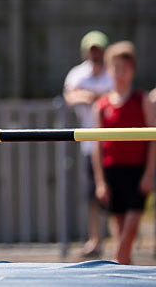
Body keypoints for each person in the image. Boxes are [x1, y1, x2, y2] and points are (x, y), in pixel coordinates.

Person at [91, 41, 156, 265]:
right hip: (112, 172)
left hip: (137, 173)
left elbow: (152, 140)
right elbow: (97, 146)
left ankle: (116, 268)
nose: (120, 73)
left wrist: (149, 173)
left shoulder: (142, 100)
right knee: (121, 237)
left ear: (133, 70)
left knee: (127, 236)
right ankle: (125, 277)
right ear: (109, 70)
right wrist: (100, 181)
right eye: (115, 67)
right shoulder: (102, 105)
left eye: (125, 68)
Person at [63, 30, 114, 258]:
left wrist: (93, 96)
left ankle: (116, 240)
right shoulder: (78, 73)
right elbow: (70, 96)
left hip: (113, 141)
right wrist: (90, 96)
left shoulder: (112, 72)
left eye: (99, 50)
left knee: (116, 191)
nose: (95, 54)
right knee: (92, 194)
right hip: (90, 143)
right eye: (92, 50)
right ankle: (96, 239)